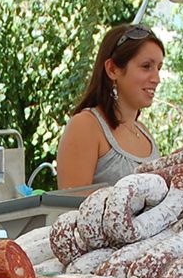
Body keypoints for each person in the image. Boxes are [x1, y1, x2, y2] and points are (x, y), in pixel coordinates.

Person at [55, 23, 163, 189]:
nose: (157, 78)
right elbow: (71, 209)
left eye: (159, 68)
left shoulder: (144, 133)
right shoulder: (85, 126)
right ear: (112, 69)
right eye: (146, 66)